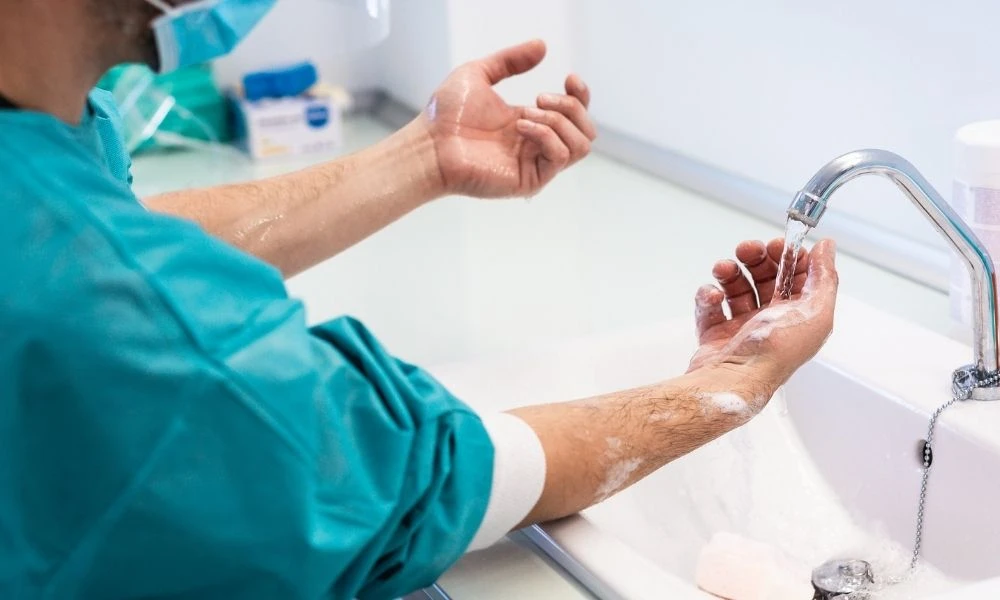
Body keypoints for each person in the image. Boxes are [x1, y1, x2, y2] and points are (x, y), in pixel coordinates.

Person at [0, 1, 839, 598]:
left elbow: (94, 235)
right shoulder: (146, 329)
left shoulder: (39, 171)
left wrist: (422, 158)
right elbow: (412, 482)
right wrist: (730, 383)